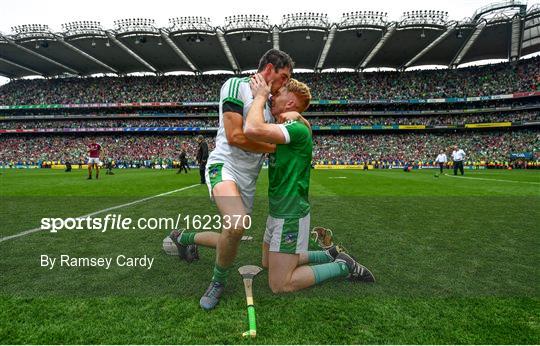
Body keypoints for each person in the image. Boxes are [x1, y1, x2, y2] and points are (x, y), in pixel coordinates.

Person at [170, 49, 294, 310]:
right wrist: (276, 147)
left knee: (232, 235)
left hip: (248, 179)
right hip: (223, 166)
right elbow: (236, 136)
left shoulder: (270, 106)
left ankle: (184, 238)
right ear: (269, 69)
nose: (285, 83)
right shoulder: (235, 86)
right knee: (236, 225)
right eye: (284, 76)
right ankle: (218, 281)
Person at [245, 75, 375, 293]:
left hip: (290, 212)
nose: (272, 96)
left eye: (278, 93)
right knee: (267, 263)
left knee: (279, 284)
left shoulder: (295, 128)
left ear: (290, 102)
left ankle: (344, 266)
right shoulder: (290, 125)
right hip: (278, 209)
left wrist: (260, 96)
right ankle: (328, 254)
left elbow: (252, 128)